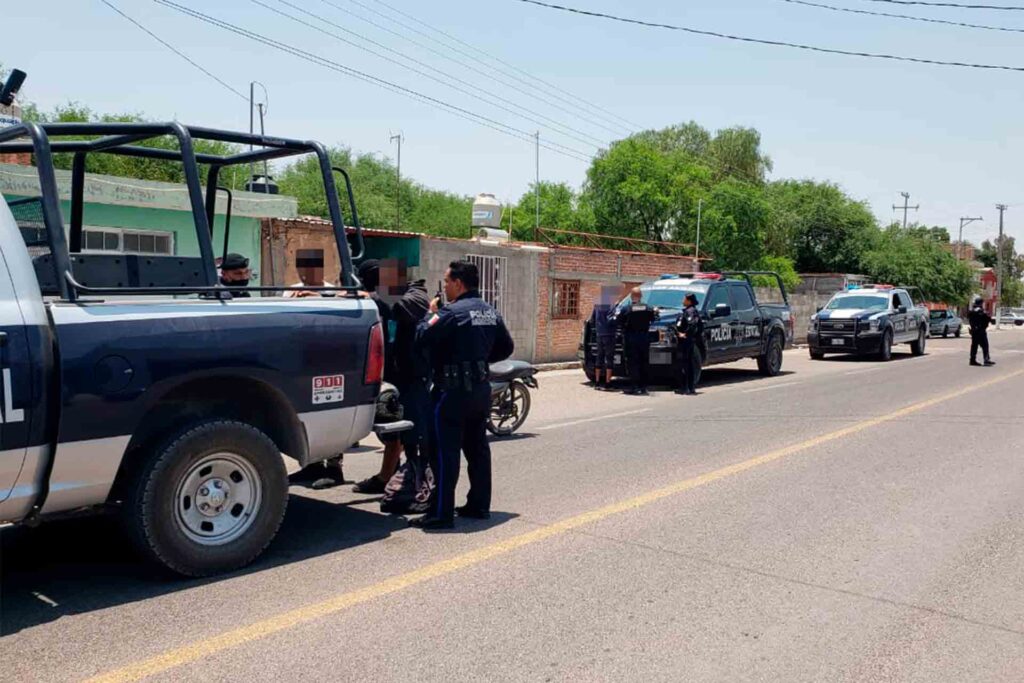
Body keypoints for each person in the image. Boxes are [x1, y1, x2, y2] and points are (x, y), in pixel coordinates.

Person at [412, 260, 514, 529]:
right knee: (477, 448)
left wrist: (429, 313)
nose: (445, 286)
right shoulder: (490, 311)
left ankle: (441, 514)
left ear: (458, 283)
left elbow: (421, 335)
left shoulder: (450, 313)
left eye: (447, 281)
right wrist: (477, 361)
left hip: (452, 392)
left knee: (444, 452)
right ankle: (479, 505)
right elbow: (506, 347)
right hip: (479, 390)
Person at [352, 260, 429, 494]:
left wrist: (372, 298)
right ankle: (390, 477)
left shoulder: (416, 294)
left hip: (412, 375)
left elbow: (404, 308)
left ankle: (413, 483)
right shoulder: (381, 297)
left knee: (412, 433)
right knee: (390, 429)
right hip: (390, 374)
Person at [616, 287, 657, 396]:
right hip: (644, 338)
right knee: (644, 362)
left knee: (632, 363)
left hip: (631, 339)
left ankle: (634, 387)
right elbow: (654, 319)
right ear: (641, 296)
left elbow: (619, 321)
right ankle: (643, 387)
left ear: (631, 296)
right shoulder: (648, 308)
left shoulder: (626, 309)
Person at [590, 285, 619, 391]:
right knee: (609, 358)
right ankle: (608, 383)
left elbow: (592, 319)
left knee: (599, 357)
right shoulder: (611, 305)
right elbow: (612, 320)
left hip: (599, 335)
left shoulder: (597, 305)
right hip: (609, 334)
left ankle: (597, 383)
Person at [674, 293, 702, 395]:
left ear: (689, 301)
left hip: (686, 342)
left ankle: (686, 388)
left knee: (685, 365)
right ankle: (688, 387)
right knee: (687, 364)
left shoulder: (691, 311)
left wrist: (685, 334)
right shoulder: (688, 311)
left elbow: (693, 324)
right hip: (687, 341)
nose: (683, 300)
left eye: (684, 299)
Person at [968, 296, 996, 367]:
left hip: (974, 331)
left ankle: (972, 360)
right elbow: (988, 319)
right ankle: (986, 360)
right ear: (980, 303)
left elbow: (970, 319)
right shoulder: (981, 311)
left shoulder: (972, 311)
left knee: (974, 346)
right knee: (985, 345)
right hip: (981, 331)